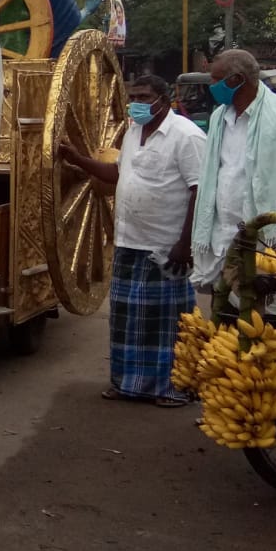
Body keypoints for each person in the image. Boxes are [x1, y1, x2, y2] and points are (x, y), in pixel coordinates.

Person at [60, 75, 207, 407]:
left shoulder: (187, 136)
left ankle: (173, 387)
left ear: (164, 100)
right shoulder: (133, 132)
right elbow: (118, 174)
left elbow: (202, 190)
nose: (136, 102)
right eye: (133, 96)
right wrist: (77, 159)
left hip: (167, 243)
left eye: (144, 96)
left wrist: (185, 244)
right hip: (129, 240)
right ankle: (127, 383)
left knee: (167, 323)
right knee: (128, 318)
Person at [189, 49, 276, 292]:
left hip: (264, 241)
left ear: (236, 80)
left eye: (216, 79)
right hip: (222, 235)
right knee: (223, 314)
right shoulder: (219, 117)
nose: (212, 86)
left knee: (260, 315)